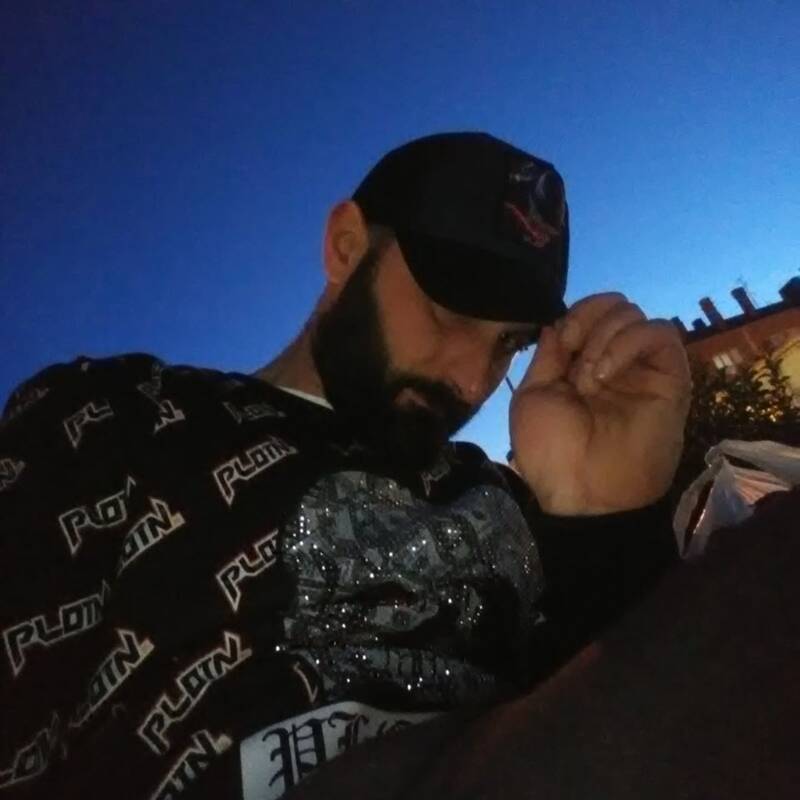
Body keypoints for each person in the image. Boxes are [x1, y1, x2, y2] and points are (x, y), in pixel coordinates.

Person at [0, 132, 691, 800]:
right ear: (345, 246)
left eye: (509, 342)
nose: (472, 379)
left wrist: (607, 516)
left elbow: (646, 726)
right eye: (450, 313)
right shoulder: (121, 418)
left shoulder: (504, 495)